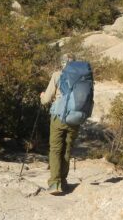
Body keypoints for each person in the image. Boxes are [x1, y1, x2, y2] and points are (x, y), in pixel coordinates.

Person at [40, 54, 79, 195]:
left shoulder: (57, 75)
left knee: (56, 149)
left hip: (58, 117)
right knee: (67, 149)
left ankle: (55, 184)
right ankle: (63, 181)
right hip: (75, 118)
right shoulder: (81, 78)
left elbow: (46, 100)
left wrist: (42, 96)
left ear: (63, 64)